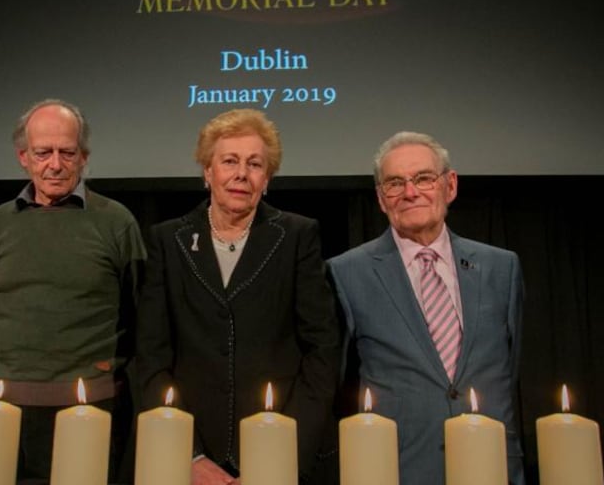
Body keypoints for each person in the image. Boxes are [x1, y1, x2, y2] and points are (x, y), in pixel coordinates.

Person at [136, 109, 341, 485]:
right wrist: (189, 455)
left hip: (280, 453)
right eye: (229, 161)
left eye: (255, 164)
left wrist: (278, 453)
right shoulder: (169, 240)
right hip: (189, 459)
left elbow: (322, 352)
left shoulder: (297, 236)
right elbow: (150, 358)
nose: (241, 174)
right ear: (207, 171)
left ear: (267, 178)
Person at [0, 99, 145, 481]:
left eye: (67, 153)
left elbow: (137, 309)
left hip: (84, 409)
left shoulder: (116, 222)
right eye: (43, 153)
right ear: (23, 156)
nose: (55, 165)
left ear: (84, 156)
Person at [327, 132, 525, 485]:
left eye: (423, 178)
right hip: (397, 469)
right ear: (380, 198)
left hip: (492, 465)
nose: (410, 192)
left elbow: (512, 368)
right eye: (394, 183)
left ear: (450, 185)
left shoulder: (501, 268)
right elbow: (336, 381)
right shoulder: (346, 272)